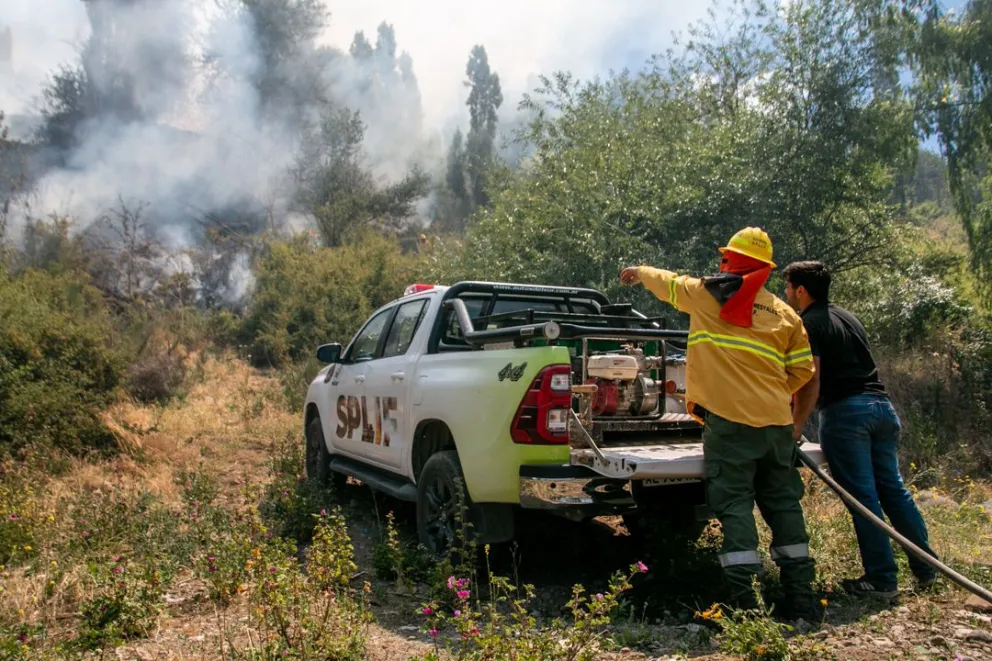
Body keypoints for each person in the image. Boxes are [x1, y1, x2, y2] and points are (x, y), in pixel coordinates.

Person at [620, 227, 819, 620]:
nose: (720, 264)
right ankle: (802, 599)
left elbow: (671, 284)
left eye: (725, 258)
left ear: (732, 262)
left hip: (731, 427)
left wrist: (638, 270)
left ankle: (746, 607)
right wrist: (771, 396)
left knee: (735, 507)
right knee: (783, 506)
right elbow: (802, 373)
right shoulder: (785, 314)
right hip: (778, 425)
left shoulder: (709, 295)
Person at [784, 260, 938, 599]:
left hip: (846, 414)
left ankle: (882, 580)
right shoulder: (848, 317)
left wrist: (795, 426)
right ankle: (928, 570)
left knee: (863, 499)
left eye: (788, 286)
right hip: (883, 408)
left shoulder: (808, 324)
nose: (786, 293)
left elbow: (811, 378)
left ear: (800, 290)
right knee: (894, 492)